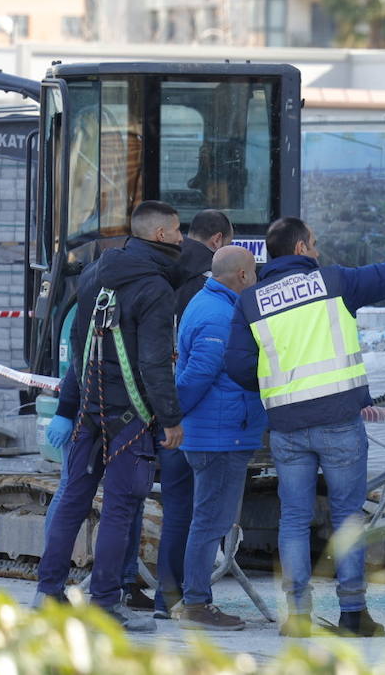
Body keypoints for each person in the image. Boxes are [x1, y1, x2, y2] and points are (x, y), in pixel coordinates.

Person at [225, 217, 385, 638]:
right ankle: (352, 614)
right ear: (303, 249)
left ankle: (298, 617)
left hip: (288, 425)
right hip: (339, 420)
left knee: (293, 519)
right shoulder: (334, 283)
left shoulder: (250, 302)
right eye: (316, 244)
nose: (320, 251)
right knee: (346, 517)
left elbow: (236, 365)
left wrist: (278, 384)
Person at [34, 200, 186, 632]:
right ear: (159, 235)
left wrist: (71, 407)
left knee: (72, 501)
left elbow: (80, 346)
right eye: (176, 231)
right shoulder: (155, 287)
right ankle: (104, 604)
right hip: (131, 418)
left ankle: (48, 594)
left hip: (89, 411)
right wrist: (170, 419)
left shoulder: (95, 273)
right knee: (120, 509)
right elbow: (155, 364)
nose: (180, 238)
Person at [147, 208, 233, 618]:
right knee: (203, 511)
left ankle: (167, 597)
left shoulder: (158, 271)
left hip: (160, 405)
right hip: (195, 417)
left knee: (176, 507)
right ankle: (192, 599)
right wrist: (175, 414)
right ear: (218, 241)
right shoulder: (212, 286)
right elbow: (204, 367)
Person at [173, 245, 262, 630]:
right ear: (242, 276)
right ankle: (196, 603)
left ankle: (194, 600)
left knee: (208, 519)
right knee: (211, 521)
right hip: (219, 437)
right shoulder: (219, 315)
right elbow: (196, 376)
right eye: (254, 273)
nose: (256, 279)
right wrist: (176, 414)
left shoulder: (207, 301)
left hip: (218, 432)